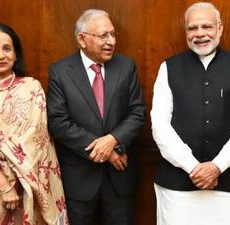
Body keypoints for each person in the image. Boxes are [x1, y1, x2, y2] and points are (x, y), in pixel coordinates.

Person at [151, 2, 230, 225]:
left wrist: (217, 166)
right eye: (192, 28)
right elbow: (159, 124)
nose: (199, 34)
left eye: (206, 26)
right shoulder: (168, 67)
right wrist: (193, 167)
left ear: (220, 28)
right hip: (178, 187)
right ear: (186, 32)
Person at [0, 23, 68, 225]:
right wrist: (3, 185)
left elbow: (38, 136)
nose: (0, 55)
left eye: (7, 49)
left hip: (24, 183)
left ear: (16, 55)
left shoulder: (31, 87)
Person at [47, 9, 146, 225]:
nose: (111, 41)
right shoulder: (60, 71)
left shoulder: (126, 66)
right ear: (82, 39)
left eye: (113, 34)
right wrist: (106, 152)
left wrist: (113, 141)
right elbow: (58, 122)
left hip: (120, 177)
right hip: (79, 178)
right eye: (103, 36)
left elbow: (137, 113)